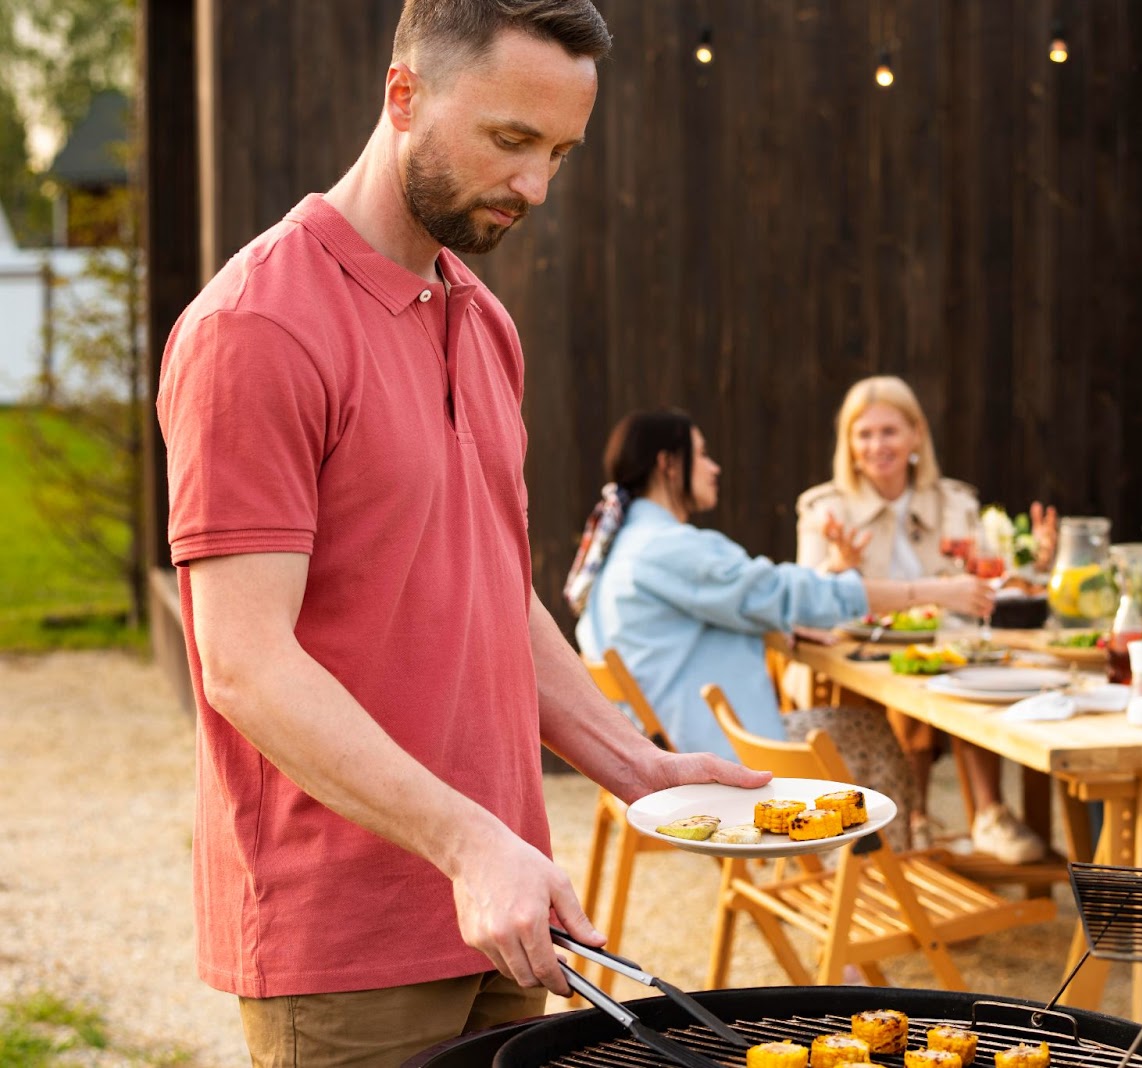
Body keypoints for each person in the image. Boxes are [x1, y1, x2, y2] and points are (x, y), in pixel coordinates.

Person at [154, 5, 770, 1064]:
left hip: (505, 912)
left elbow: (492, 587)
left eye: (561, 152)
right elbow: (244, 662)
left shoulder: (481, 318)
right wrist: (467, 841)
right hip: (347, 941)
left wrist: (629, 760)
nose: (536, 186)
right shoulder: (254, 329)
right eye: (510, 140)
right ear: (404, 97)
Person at [570, 410, 996, 850]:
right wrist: (928, 591)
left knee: (851, 727)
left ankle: (850, 871)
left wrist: (777, 623)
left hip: (664, 739)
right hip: (708, 759)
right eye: (702, 454)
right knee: (869, 732)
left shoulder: (622, 543)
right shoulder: (671, 548)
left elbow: (741, 602)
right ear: (668, 464)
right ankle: (868, 880)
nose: (714, 467)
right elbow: (784, 592)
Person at [795, 375, 1057, 864]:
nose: (878, 446)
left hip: (941, 648)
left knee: (975, 676)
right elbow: (802, 596)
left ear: (916, 435)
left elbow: (984, 581)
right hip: (857, 654)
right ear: (849, 445)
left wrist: (1033, 568)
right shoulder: (824, 508)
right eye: (864, 434)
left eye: (889, 431)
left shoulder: (954, 501)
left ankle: (987, 815)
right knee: (920, 690)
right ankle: (913, 821)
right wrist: (838, 566)